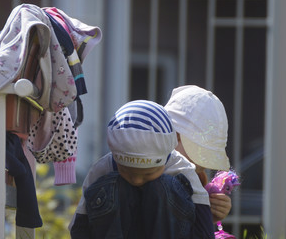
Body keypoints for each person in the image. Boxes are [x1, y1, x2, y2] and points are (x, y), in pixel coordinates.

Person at [69, 100, 214, 239]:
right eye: (127, 171)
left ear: (167, 157)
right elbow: (80, 223)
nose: (137, 180)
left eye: (148, 173)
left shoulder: (180, 167)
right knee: (111, 185)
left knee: (162, 186)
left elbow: (203, 225)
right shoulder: (102, 167)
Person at [164, 85, 233, 222]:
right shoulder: (147, 172)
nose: (203, 164)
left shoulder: (197, 180)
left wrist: (209, 214)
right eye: (199, 153)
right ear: (175, 136)